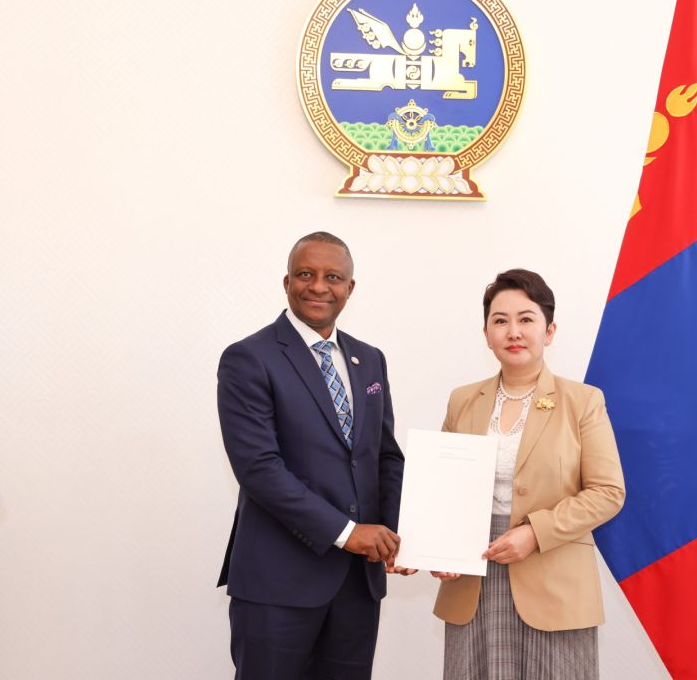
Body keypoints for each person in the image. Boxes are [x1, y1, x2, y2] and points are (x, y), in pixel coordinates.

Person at [216, 231, 405, 680]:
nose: (319, 286)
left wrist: (403, 537)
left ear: (350, 288)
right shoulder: (248, 358)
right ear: (287, 282)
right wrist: (348, 533)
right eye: (306, 274)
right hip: (277, 584)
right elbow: (259, 469)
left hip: (357, 586)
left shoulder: (370, 359)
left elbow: (385, 458)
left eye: (332, 277)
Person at [431, 269, 625, 680]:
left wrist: (535, 533)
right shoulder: (462, 400)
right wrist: (440, 550)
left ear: (549, 331)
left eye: (526, 319)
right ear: (486, 334)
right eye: (500, 320)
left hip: (554, 576)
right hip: (473, 575)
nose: (513, 331)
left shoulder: (583, 401)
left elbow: (608, 492)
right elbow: (444, 489)